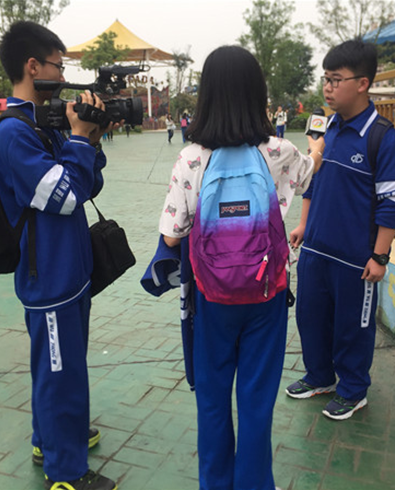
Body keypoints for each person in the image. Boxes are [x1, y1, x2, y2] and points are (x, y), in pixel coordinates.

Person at [158, 45, 324, 490]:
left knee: (213, 401)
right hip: (266, 296)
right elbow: (310, 173)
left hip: (212, 300)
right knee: (256, 403)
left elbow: (172, 235)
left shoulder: (192, 157)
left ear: (207, 95)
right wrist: (317, 148)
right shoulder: (279, 151)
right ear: (256, 93)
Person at [0, 21, 117, 490]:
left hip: (68, 270)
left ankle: (49, 439)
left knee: (60, 364)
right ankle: (66, 472)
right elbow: (64, 195)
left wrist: (91, 138)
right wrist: (80, 140)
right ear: (33, 66)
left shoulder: (42, 125)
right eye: (58, 66)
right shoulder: (15, 133)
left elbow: (87, 184)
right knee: (59, 371)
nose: (63, 76)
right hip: (48, 276)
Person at [286, 39, 395, 420]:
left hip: (355, 260)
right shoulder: (330, 130)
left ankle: (353, 389)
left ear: (362, 84)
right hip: (316, 250)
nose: (327, 88)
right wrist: (304, 224)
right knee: (310, 317)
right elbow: (312, 181)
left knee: (351, 328)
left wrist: (379, 255)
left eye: (336, 79)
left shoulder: (382, 139)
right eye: (325, 79)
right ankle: (320, 376)